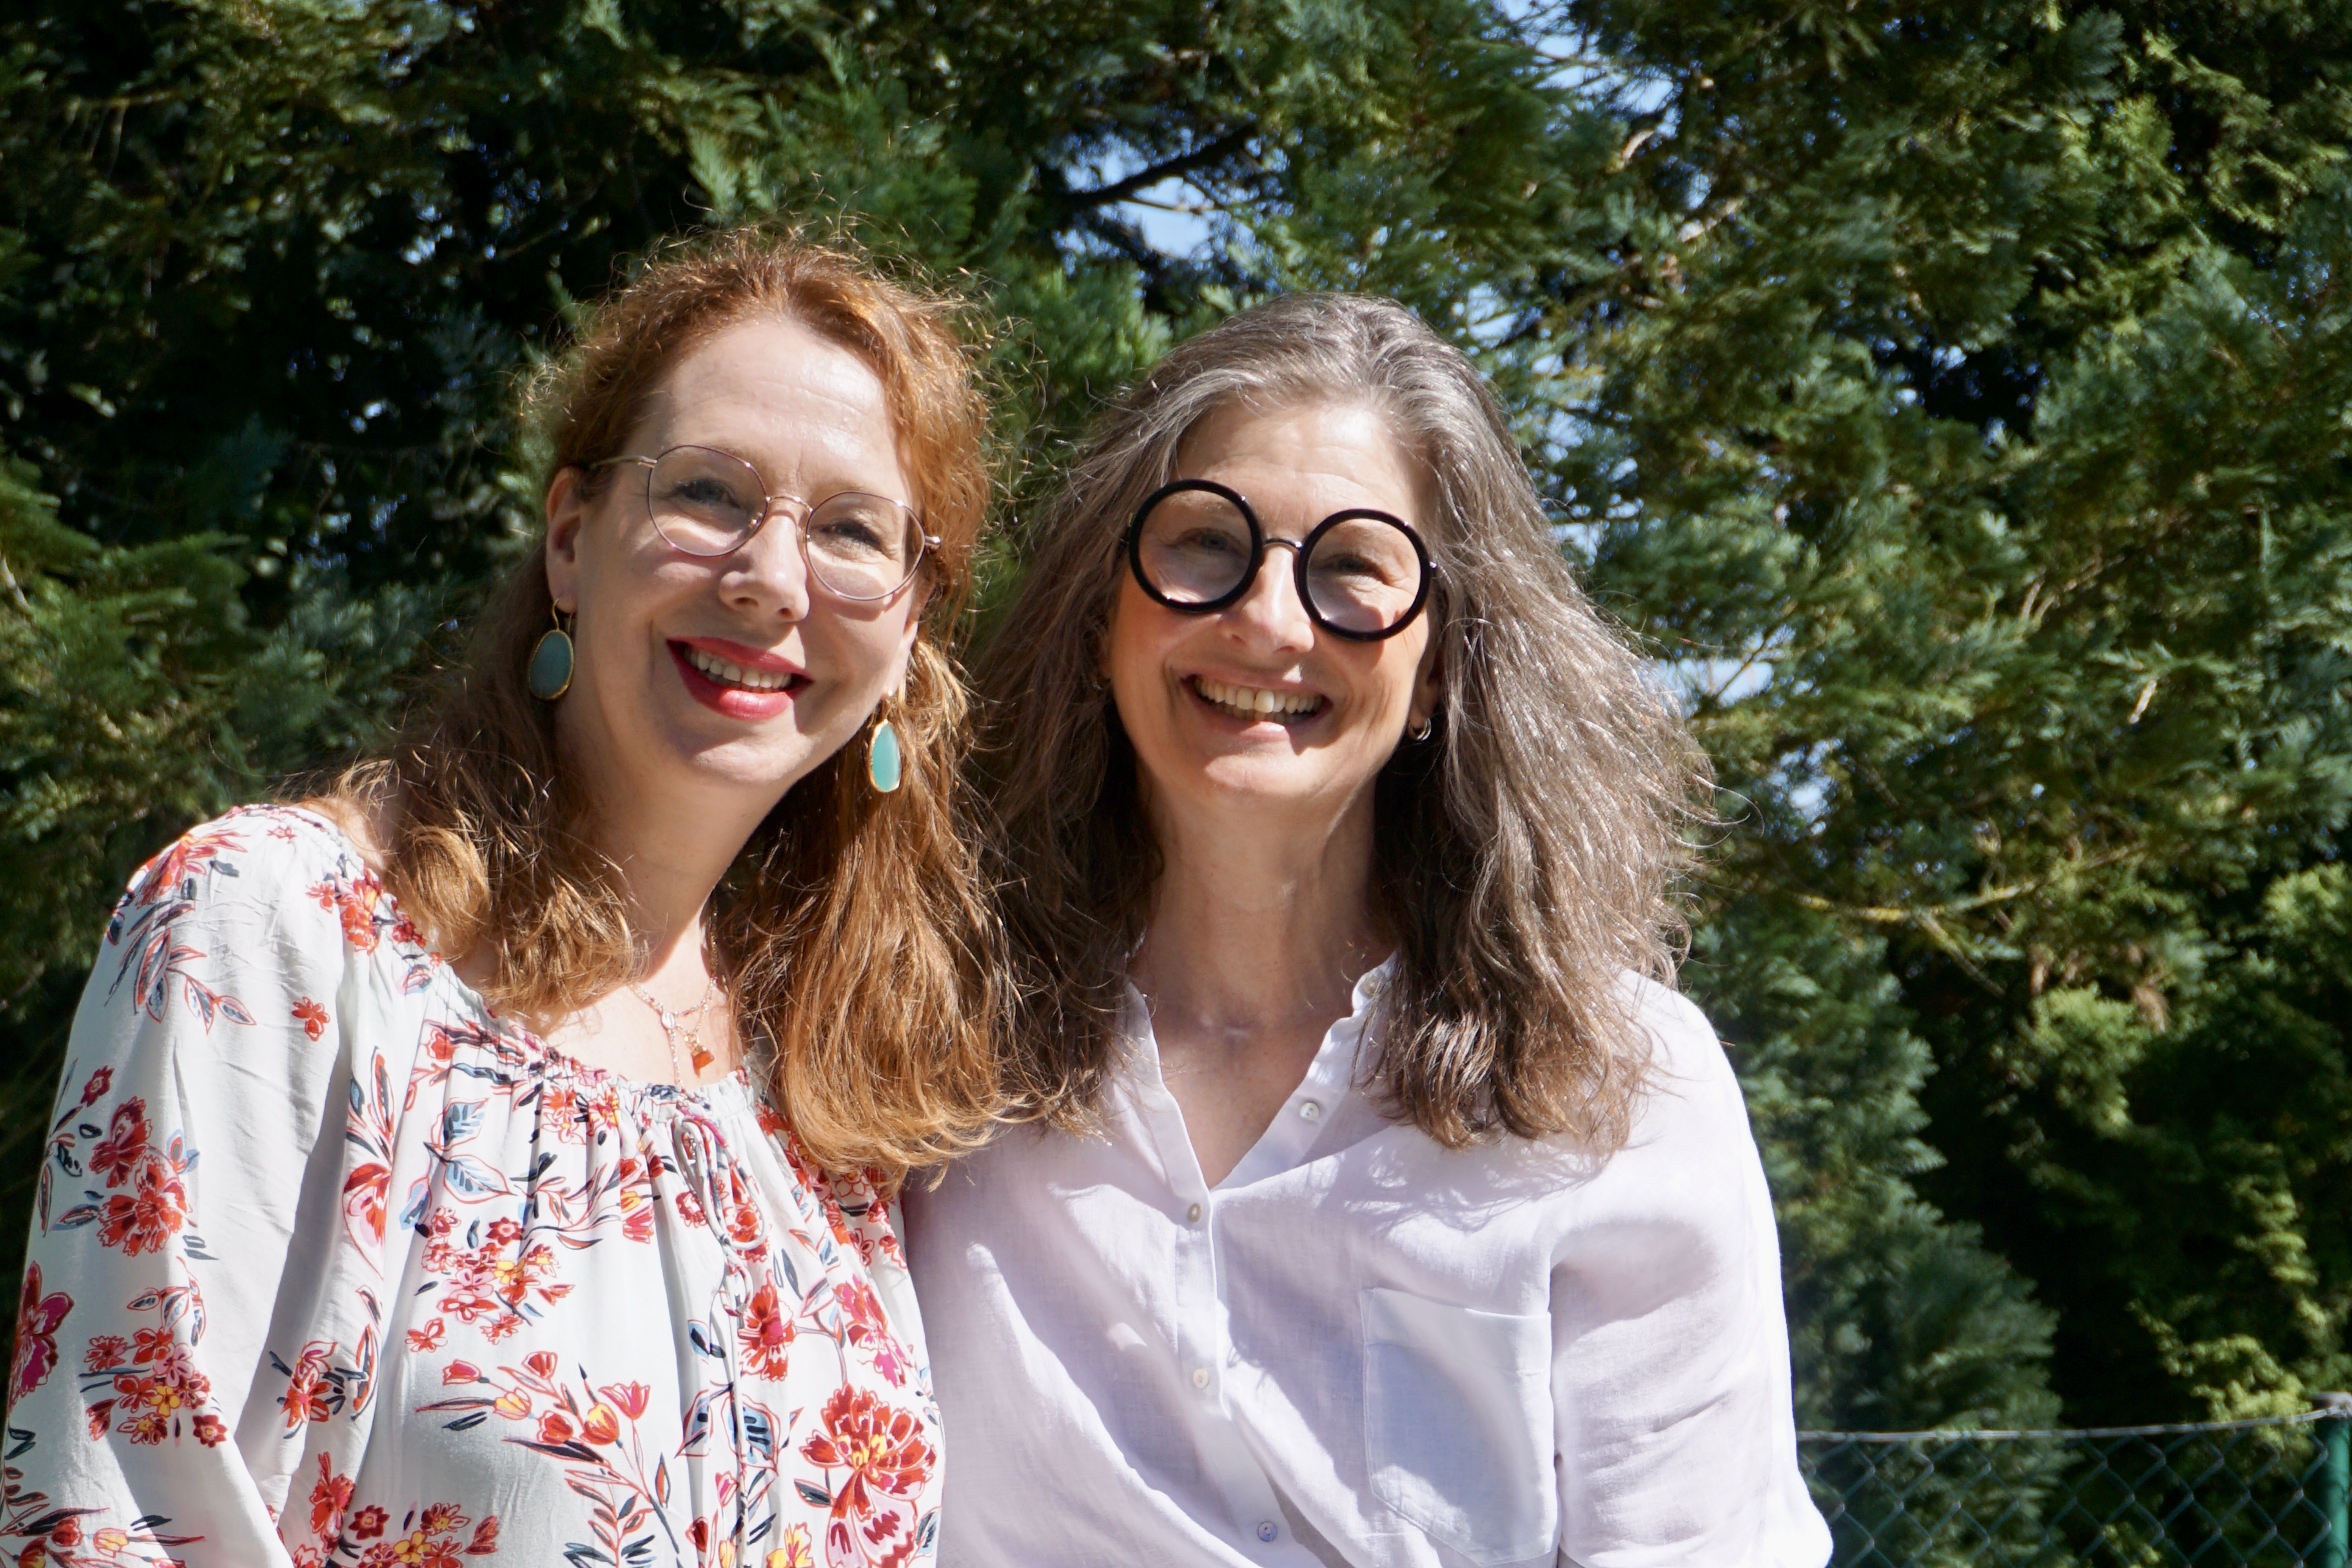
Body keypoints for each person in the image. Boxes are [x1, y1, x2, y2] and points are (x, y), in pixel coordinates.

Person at [6, 231, 1001, 1567]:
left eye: (851, 531)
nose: (772, 579)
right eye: (709, 492)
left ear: (911, 623)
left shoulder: (835, 1086)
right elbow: (116, 1520)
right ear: (573, 540)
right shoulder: (280, 936)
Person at [904, 292, 1832, 1567]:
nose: (1270, 621)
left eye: (1352, 567)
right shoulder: (923, 1045)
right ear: (1103, 606)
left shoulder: (1622, 1089)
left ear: (1440, 665)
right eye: (1204, 542)